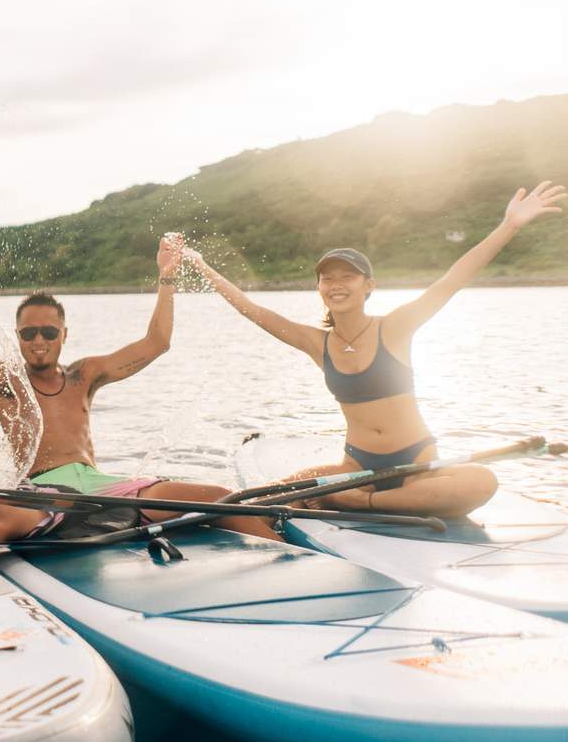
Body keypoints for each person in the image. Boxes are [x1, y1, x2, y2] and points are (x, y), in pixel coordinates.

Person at [188, 181, 564, 517]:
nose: (336, 284)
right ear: (319, 288)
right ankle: (362, 498)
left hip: (416, 465)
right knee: (275, 494)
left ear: (368, 286)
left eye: (348, 276)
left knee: (481, 481)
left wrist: (510, 224)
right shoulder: (317, 343)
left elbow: (453, 279)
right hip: (356, 468)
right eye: (327, 278)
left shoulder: (395, 328)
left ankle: (362, 503)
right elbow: (252, 310)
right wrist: (202, 266)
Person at [0, 232, 281, 548]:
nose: (38, 340)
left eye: (49, 332)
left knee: (220, 498)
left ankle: (293, 558)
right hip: (45, 492)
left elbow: (157, 342)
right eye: (28, 333)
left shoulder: (84, 375)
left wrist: (167, 276)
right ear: (18, 336)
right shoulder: (6, 380)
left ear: (64, 335)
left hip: (103, 487)